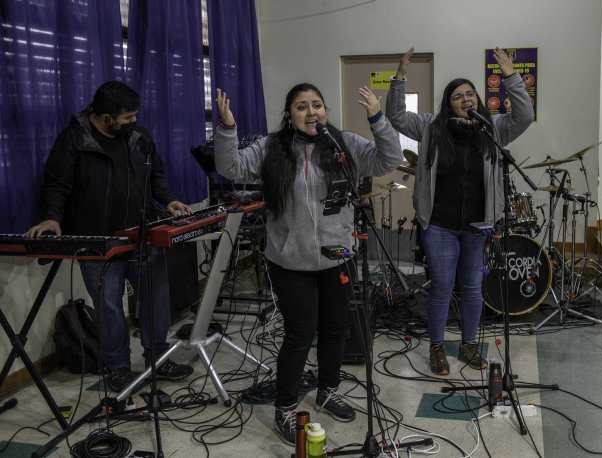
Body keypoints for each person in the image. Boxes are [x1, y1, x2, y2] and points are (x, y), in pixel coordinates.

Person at [214, 84, 401, 445]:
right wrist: (227, 129)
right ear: (290, 114)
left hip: (338, 257)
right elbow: (230, 167)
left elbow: (388, 160)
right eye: (302, 106)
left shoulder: (343, 143)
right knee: (300, 335)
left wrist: (377, 118)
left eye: (317, 105)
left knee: (335, 329)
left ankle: (328, 391)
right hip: (290, 261)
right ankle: (285, 408)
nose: (311, 112)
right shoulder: (272, 148)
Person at [25, 81, 195, 391]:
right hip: (97, 241)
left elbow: (155, 173)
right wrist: (51, 216)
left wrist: (167, 198)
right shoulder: (73, 140)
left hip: (141, 234)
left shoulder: (138, 136)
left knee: (155, 298)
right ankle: (117, 366)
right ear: (106, 119)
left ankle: (156, 358)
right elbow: (56, 184)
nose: (134, 121)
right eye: (128, 117)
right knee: (109, 306)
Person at [386, 48, 535, 376]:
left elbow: (525, 116)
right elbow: (396, 117)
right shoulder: (431, 127)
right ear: (448, 103)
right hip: (439, 225)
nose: (466, 99)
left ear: (478, 100)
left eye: (470, 94)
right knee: (441, 285)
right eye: (458, 96)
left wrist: (510, 76)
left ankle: (469, 344)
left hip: (477, 225)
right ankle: (437, 347)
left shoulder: (492, 128)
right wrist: (399, 77)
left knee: (471, 287)